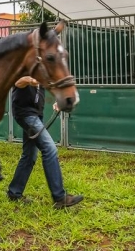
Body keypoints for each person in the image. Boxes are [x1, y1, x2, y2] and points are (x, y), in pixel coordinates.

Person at [7, 75, 83, 209]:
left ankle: (14, 192)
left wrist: (57, 100)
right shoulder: (24, 66)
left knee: (29, 155)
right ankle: (59, 197)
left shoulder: (40, 68)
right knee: (49, 148)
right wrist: (31, 80)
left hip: (36, 114)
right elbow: (18, 82)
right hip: (26, 114)